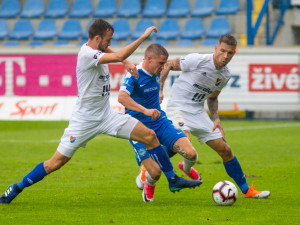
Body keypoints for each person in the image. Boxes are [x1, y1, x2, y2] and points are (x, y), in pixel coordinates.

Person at [0, 19, 201, 204]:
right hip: (85, 120)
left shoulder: (96, 49)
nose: (110, 42)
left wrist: (125, 62)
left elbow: (113, 53)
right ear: (98, 38)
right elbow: (119, 54)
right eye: (108, 39)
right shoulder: (86, 54)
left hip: (107, 115)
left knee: (149, 135)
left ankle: (172, 179)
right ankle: (17, 187)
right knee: (55, 163)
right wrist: (142, 38)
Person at [138, 34, 271, 199]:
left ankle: (247, 190)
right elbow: (169, 64)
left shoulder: (225, 75)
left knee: (225, 149)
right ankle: (148, 172)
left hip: (198, 112)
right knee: (182, 142)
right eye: (222, 51)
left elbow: (213, 97)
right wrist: (160, 88)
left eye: (229, 53)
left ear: (233, 54)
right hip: (178, 107)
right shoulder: (198, 60)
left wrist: (216, 119)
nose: (225, 56)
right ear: (216, 48)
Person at [118, 44, 202, 202]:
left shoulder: (157, 70)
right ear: (149, 59)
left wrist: (161, 90)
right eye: (161, 63)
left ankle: (170, 168)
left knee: (190, 153)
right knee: (155, 173)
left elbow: (162, 74)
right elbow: (122, 98)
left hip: (159, 122)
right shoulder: (134, 74)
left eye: (165, 64)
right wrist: (145, 110)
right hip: (137, 127)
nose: (164, 67)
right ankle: (149, 182)